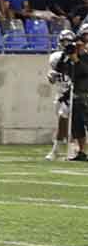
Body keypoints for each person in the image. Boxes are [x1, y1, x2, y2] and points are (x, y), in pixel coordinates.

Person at [46, 30, 75, 161]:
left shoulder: (77, 56)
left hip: (73, 93)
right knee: (62, 120)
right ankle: (65, 148)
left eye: (68, 41)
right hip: (60, 93)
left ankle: (56, 150)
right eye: (64, 41)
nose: (66, 44)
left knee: (64, 118)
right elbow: (52, 80)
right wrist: (51, 76)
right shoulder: (55, 57)